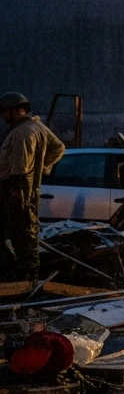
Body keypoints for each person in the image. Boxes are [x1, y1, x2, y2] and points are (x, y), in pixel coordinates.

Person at [0, 93, 65, 282]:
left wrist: (16, 191)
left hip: (17, 188)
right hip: (22, 188)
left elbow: (19, 169)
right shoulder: (36, 126)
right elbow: (59, 147)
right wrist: (42, 166)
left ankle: (26, 278)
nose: (4, 116)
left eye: (6, 112)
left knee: (23, 234)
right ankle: (19, 273)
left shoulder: (23, 133)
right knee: (19, 232)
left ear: (15, 110)